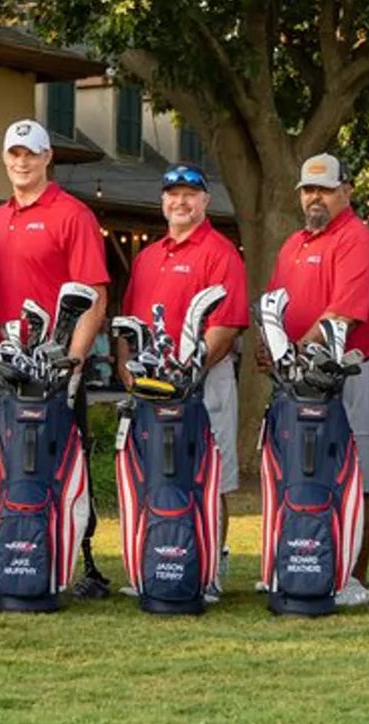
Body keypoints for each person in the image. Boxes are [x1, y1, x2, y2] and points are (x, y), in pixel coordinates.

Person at [0, 119, 113, 597]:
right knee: (12, 460)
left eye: (30, 154)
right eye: (14, 154)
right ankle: (19, 552)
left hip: (56, 360)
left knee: (65, 457)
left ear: (47, 158)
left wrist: (74, 364)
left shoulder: (72, 214)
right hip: (8, 360)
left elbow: (94, 294)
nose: (22, 162)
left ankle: (84, 562)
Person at [258, 153, 369, 606]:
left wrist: (288, 352)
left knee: (354, 476)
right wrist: (270, 344)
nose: (315, 197)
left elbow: (341, 316)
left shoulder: (358, 240)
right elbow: (276, 303)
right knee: (295, 471)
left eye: (325, 189)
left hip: (344, 373)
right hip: (295, 379)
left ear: (346, 191)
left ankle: (354, 577)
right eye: (308, 190)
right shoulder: (293, 244)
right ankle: (296, 560)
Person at [119, 161, 249, 601]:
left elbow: (225, 326)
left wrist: (189, 369)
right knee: (151, 475)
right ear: (162, 202)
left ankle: (210, 569)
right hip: (152, 387)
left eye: (189, 195)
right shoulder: (148, 257)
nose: (180, 202)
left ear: (205, 201)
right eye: (173, 195)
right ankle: (153, 562)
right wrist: (127, 370)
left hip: (204, 382)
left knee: (210, 477)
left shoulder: (220, 252)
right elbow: (130, 324)